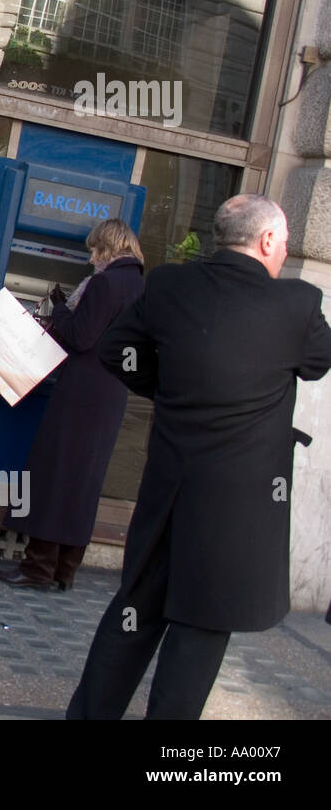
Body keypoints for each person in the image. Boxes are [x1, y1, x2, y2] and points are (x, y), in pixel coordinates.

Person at [68, 194, 331, 720]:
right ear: (268, 241)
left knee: (134, 612)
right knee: (200, 631)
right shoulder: (297, 305)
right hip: (238, 510)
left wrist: (169, 387)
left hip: (169, 489)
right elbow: (317, 364)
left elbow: (115, 348)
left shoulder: (168, 284)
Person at [0, 218, 145, 590]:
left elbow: (80, 337)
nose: (92, 259)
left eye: (95, 250)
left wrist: (60, 307)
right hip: (111, 395)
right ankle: (65, 571)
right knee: (83, 483)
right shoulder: (141, 284)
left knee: (55, 477)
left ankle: (36, 570)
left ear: (110, 248)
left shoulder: (106, 283)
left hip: (82, 393)